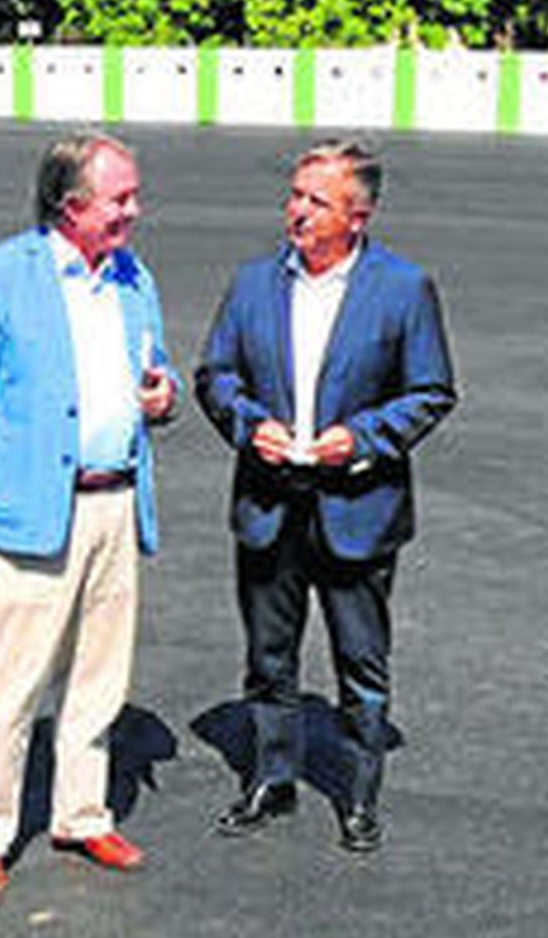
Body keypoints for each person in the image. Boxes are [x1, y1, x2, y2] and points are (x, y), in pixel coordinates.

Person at [0, 131, 178, 901]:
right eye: (120, 198)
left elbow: (154, 369)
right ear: (71, 204)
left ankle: (82, 814)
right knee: (9, 685)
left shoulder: (134, 277)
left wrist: (162, 396)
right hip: (29, 514)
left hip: (114, 503)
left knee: (100, 677)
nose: (135, 210)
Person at [195, 139, 456, 853]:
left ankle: (358, 794)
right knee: (268, 657)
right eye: (295, 194)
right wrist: (250, 426)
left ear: (358, 216)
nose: (298, 211)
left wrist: (363, 438)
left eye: (317, 200)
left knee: (361, 663)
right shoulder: (253, 283)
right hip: (270, 501)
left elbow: (431, 390)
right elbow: (216, 375)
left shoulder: (403, 288)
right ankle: (271, 779)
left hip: (357, 508)